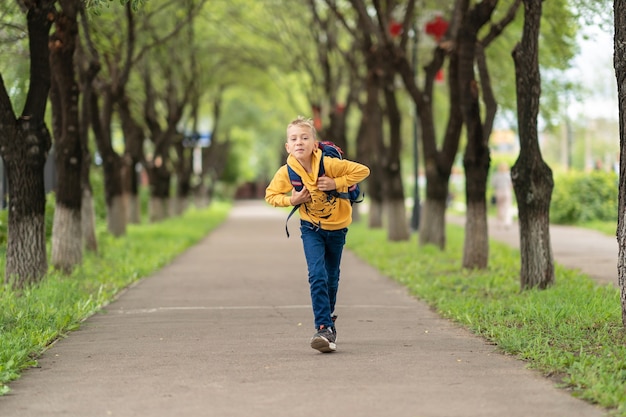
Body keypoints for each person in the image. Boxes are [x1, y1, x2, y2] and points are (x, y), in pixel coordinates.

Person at [265, 116, 370, 353]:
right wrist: (292, 199)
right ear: (287, 147)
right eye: (293, 139)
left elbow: (363, 170)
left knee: (331, 277)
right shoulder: (287, 172)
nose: (299, 142)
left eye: (304, 137)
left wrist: (335, 182)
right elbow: (271, 195)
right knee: (317, 274)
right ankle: (323, 327)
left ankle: (328, 326)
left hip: (338, 228)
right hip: (310, 228)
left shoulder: (329, 164)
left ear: (315, 144)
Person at [491, 162, 513, 228]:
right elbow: (511, 184)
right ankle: (507, 222)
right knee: (507, 207)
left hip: (498, 192)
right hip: (507, 191)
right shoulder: (508, 175)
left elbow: (493, 184)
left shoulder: (496, 175)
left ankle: (499, 223)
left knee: (499, 208)